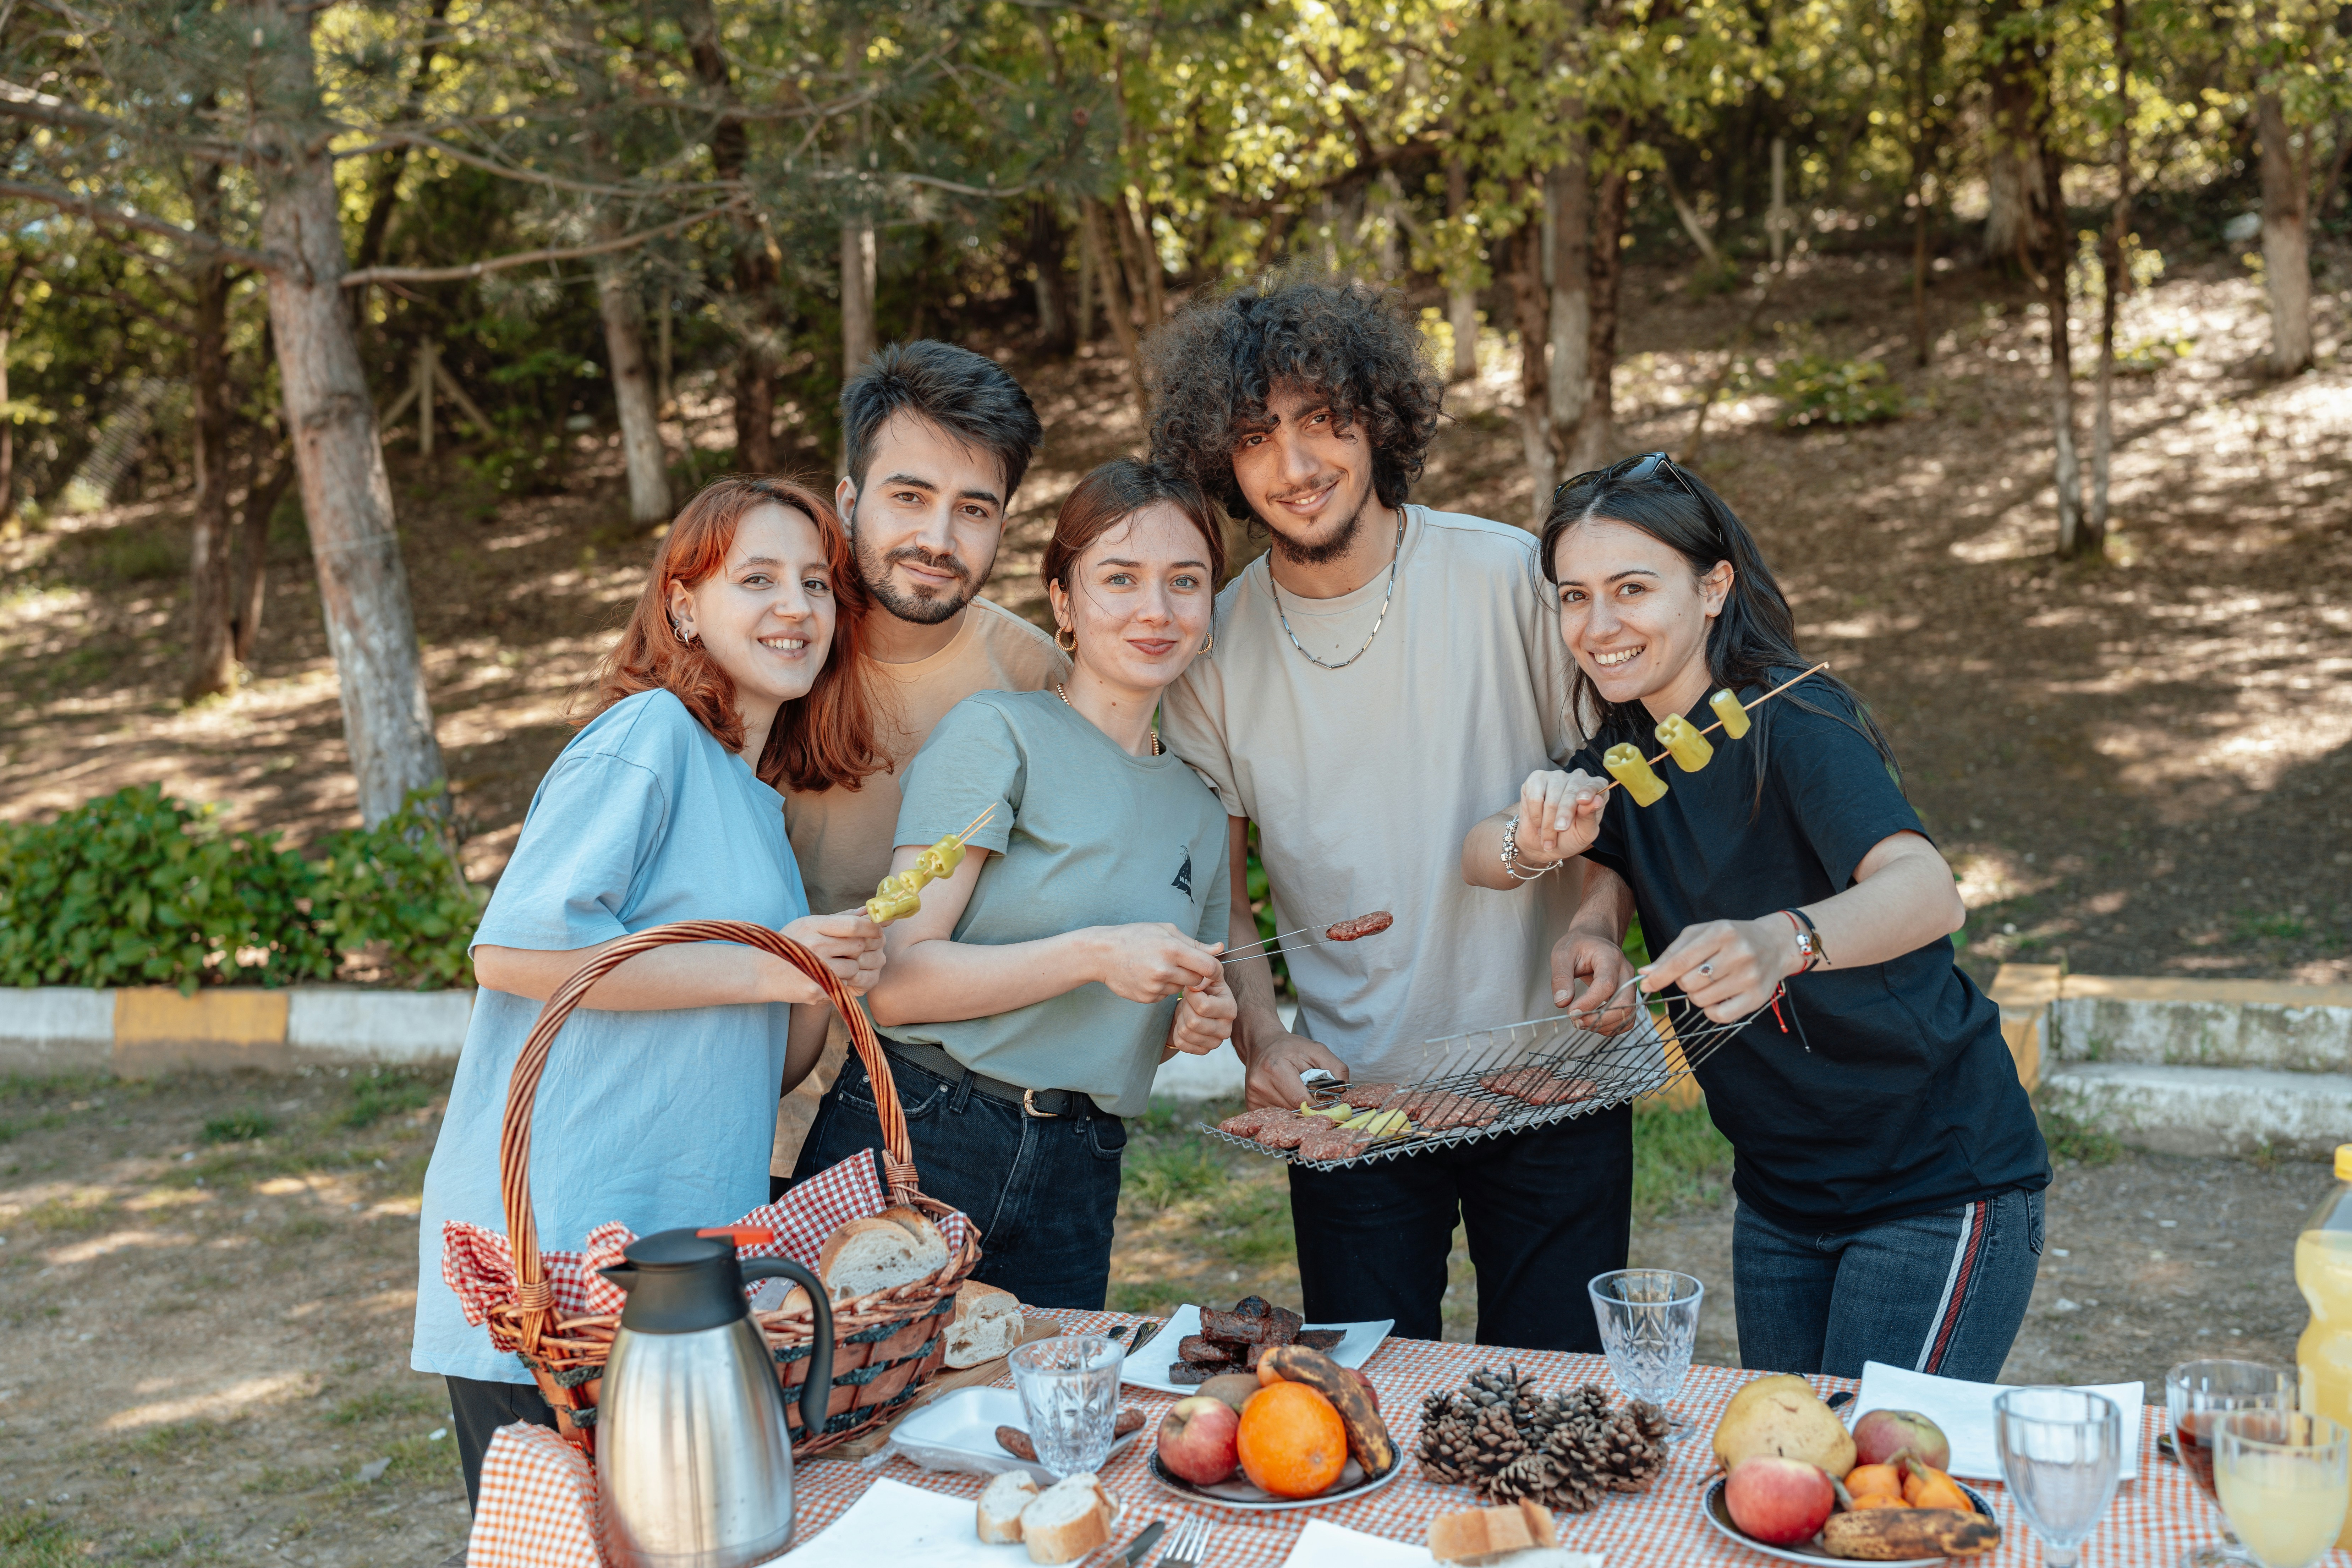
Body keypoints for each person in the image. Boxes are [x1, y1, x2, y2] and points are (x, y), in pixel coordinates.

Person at [1468, 451, 2050, 1380]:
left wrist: (1785, 941)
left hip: (1935, 1182)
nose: (1599, 624)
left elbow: (1927, 890)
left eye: (1630, 589)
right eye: (1573, 597)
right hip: (1779, 1196)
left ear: (1711, 588)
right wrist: (1587, 923)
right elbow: (1526, 854)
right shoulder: (1635, 745)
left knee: (1874, 1482)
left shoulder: (1795, 719)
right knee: (1784, 1466)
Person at [1149, 269, 1640, 1351]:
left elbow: (1608, 779)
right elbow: (1224, 901)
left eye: (1321, 421)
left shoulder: (1509, 574)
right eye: (1254, 436)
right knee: (1365, 1404)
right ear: (1220, 462)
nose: (1296, 465)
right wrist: (1264, 1039)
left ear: (1376, 420)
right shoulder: (1211, 652)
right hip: (1349, 1103)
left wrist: (1597, 920)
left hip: (1551, 1076)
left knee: (1557, 1398)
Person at [411, 477, 888, 1506]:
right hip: (561, 1253)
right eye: (756, 578)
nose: (796, 606)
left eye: (816, 582)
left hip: (676, 1260)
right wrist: (771, 958)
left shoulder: (759, 810)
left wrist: (819, 975)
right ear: (682, 604)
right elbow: (520, 954)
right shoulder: (651, 734)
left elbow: (772, 1062)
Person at [789, 460, 1238, 1309]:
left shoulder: (1202, 810)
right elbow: (897, 982)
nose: (1156, 609)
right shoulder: (998, 735)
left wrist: (1190, 1022)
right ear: (1064, 604)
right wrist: (1097, 954)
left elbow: (1146, 1008)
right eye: (1119, 578)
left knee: (1036, 1433)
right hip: (924, 1129)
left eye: (1186, 581)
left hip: (1082, 1165)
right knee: (847, 1420)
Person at [771, 339, 1063, 1193]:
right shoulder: (776, 656)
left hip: (987, 1121)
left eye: (974, 509)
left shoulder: (1039, 679)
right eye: (909, 497)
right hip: (782, 1091)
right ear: (849, 499)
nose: (937, 539)